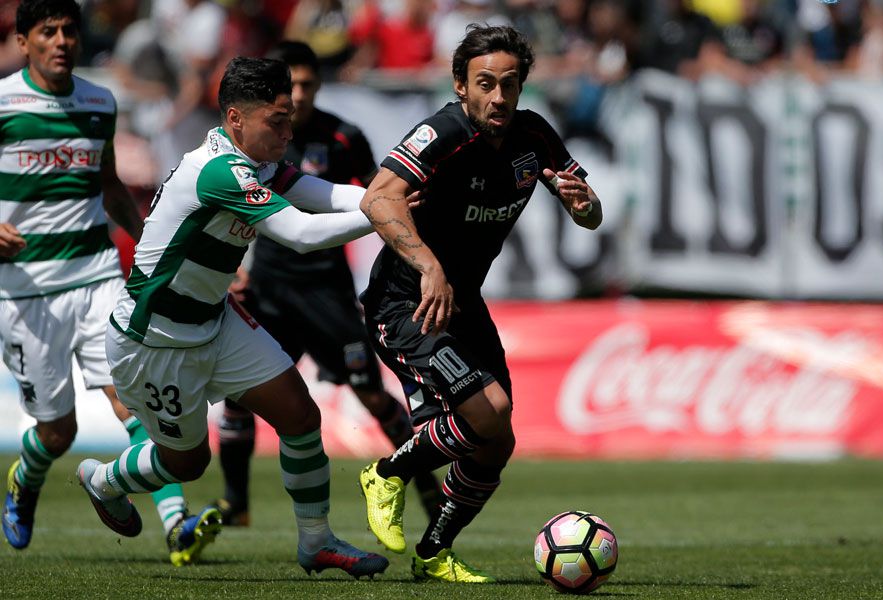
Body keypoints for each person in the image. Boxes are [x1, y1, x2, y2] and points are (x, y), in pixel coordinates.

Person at [76, 54, 392, 578]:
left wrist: (393, 196)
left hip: (214, 322)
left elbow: (330, 194)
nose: (289, 131)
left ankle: (316, 543)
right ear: (236, 119)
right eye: (278, 120)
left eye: (289, 117)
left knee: (299, 414)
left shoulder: (257, 160)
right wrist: (382, 215)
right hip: (154, 342)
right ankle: (103, 480)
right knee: (187, 463)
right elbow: (301, 234)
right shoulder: (219, 170)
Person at [357, 24, 602, 583]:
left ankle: (434, 551)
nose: (498, 98)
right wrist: (429, 266)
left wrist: (583, 205)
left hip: (463, 302)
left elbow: (592, 216)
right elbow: (378, 197)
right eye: (485, 84)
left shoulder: (534, 135)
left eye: (509, 85)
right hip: (406, 303)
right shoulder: (440, 133)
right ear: (460, 86)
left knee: (498, 441)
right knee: (487, 412)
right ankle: (385, 474)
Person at [0, 0, 217, 567]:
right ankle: (24, 480)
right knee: (56, 432)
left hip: (97, 274)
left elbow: (110, 185)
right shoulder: (3, 104)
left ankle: (177, 524)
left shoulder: (98, 102)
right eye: (48, 32)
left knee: (135, 405)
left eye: (70, 30)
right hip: (24, 288)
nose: (62, 41)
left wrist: (154, 242)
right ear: (24, 42)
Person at [213, 40, 441, 528]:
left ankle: (428, 493)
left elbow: (374, 196)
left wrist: (397, 233)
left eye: (306, 85)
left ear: (318, 85)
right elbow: (235, 214)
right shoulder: (255, 141)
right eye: (289, 86)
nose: (297, 96)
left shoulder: (343, 137)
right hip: (270, 290)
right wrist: (237, 268)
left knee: (374, 397)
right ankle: (236, 503)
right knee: (238, 399)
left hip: (328, 295)